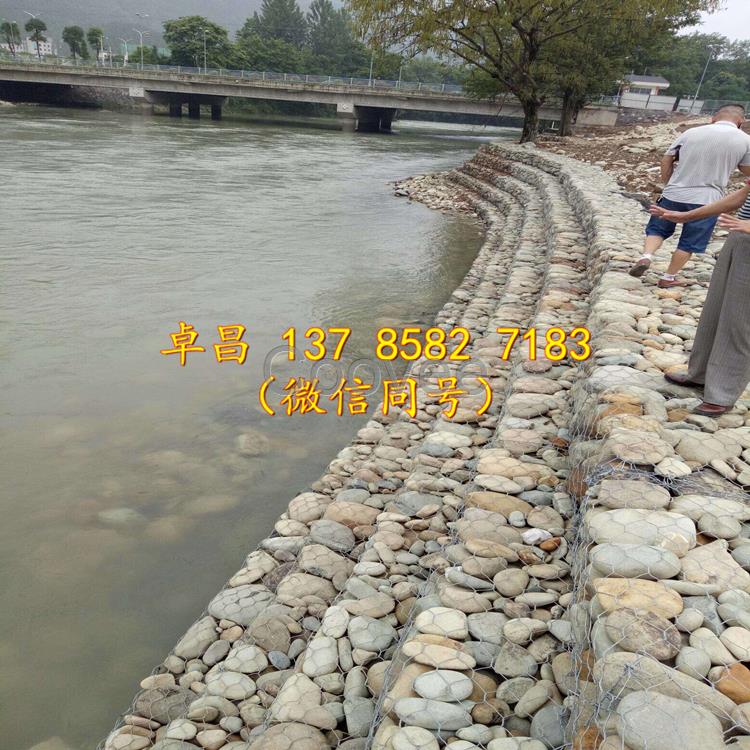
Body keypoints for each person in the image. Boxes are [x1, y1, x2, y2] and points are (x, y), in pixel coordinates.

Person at [650, 180, 750, 415]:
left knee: (740, 321)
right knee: (715, 310)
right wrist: (687, 216)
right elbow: (742, 196)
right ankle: (701, 374)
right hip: (739, 238)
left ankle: (722, 393)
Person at [629, 104, 750, 288]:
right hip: (708, 200)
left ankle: (646, 256)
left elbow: (667, 158)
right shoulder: (745, 140)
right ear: (741, 121)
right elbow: (746, 170)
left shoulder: (690, 133)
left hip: (674, 193)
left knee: (657, 229)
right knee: (689, 242)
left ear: (713, 118)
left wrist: (668, 183)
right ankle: (668, 277)